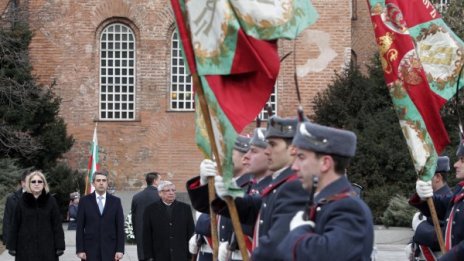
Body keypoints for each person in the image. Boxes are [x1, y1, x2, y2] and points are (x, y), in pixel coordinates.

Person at [188, 116, 309, 261]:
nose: (268, 151)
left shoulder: (295, 185)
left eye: (273, 145)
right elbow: (247, 208)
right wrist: (210, 187)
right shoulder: (279, 184)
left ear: (293, 150)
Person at [277, 122, 374, 260]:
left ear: (325, 163)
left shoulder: (349, 207)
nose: (294, 166)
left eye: (301, 157)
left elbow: (326, 255)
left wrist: (298, 231)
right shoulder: (324, 203)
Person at [411, 139, 464, 261]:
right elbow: (443, 204)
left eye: (462, 160)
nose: (456, 164)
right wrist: (422, 195)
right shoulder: (460, 190)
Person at [7, 170, 65, 261]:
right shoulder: (22, 201)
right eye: (33, 181)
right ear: (28, 184)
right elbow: (15, 224)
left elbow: (57, 225)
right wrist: (12, 246)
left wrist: (60, 245)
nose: (36, 184)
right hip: (25, 248)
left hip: (47, 248)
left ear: (44, 184)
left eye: (39, 181)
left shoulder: (51, 201)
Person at [406, 156, 452, 261]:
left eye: (425, 176)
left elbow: (443, 237)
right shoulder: (429, 200)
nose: (420, 180)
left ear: (438, 177)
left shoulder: (448, 200)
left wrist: (419, 227)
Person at [76, 170, 125, 261]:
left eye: (104, 180)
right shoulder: (84, 201)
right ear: (93, 183)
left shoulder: (116, 201)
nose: (101, 183)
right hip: (89, 250)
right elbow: (80, 227)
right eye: (98, 181)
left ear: (107, 183)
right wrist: (80, 249)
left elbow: (120, 227)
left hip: (111, 249)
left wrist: (120, 249)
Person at [143, 180, 194, 261]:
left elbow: (190, 232)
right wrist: (149, 256)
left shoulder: (185, 208)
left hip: (181, 254)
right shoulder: (150, 210)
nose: (171, 193)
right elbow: (146, 235)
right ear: (160, 193)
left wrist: (191, 255)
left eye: (173, 190)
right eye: (168, 190)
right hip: (159, 255)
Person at [131, 172, 161, 261]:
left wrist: (136, 234)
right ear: (155, 181)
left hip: (141, 235)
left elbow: (133, 217)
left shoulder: (136, 197)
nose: (161, 182)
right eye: (160, 180)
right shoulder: (160, 196)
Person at [2, 170, 29, 246]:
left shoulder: (41, 198)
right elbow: (7, 221)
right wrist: (7, 241)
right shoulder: (11, 199)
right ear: (22, 183)